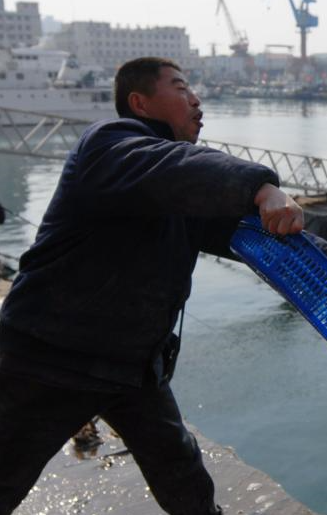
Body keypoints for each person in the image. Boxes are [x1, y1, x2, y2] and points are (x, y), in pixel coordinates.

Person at [0, 57, 305, 515]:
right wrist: (262, 187)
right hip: (50, 358)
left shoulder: (176, 188)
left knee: (181, 471)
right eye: (181, 88)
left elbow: (239, 232)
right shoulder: (109, 146)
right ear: (139, 103)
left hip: (133, 365)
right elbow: (176, 166)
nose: (196, 99)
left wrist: (323, 259)